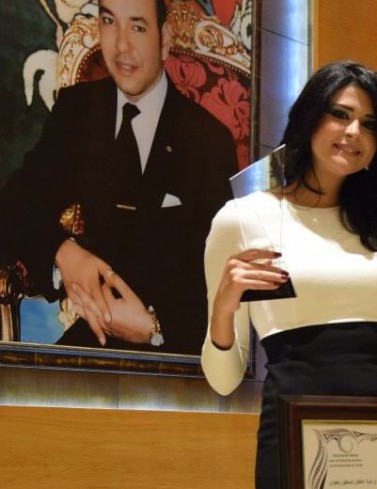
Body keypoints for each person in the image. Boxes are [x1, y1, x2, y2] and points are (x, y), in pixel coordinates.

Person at [201, 60, 377, 489]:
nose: (353, 133)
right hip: (295, 438)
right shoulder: (243, 218)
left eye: (369, 124)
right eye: (340, 115)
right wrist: (224, 305)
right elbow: (223, 379)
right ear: (309, 119)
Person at [0, 0, 237, 354]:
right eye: (110, 22)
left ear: (165, 39)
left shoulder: (209, 139)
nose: (122, 46)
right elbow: (14, 206)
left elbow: (225, 277)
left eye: (138, 27)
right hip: (93, 342)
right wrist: (62, 254)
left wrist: (155, 328)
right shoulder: (77, 111)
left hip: (178, 350)